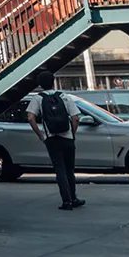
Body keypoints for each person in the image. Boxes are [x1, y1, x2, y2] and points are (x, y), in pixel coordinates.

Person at [27, 73, 83, 210]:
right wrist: (72, 132)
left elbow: (30, 117)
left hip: (51, 139)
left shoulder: (38, 98)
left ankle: (66, 201)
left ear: (40, 84)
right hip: (68, 137)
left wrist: (41, 135)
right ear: (53, 82)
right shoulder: (64, 96)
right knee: (69, 169)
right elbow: (75, 118)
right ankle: (74, 198)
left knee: (60, 169)